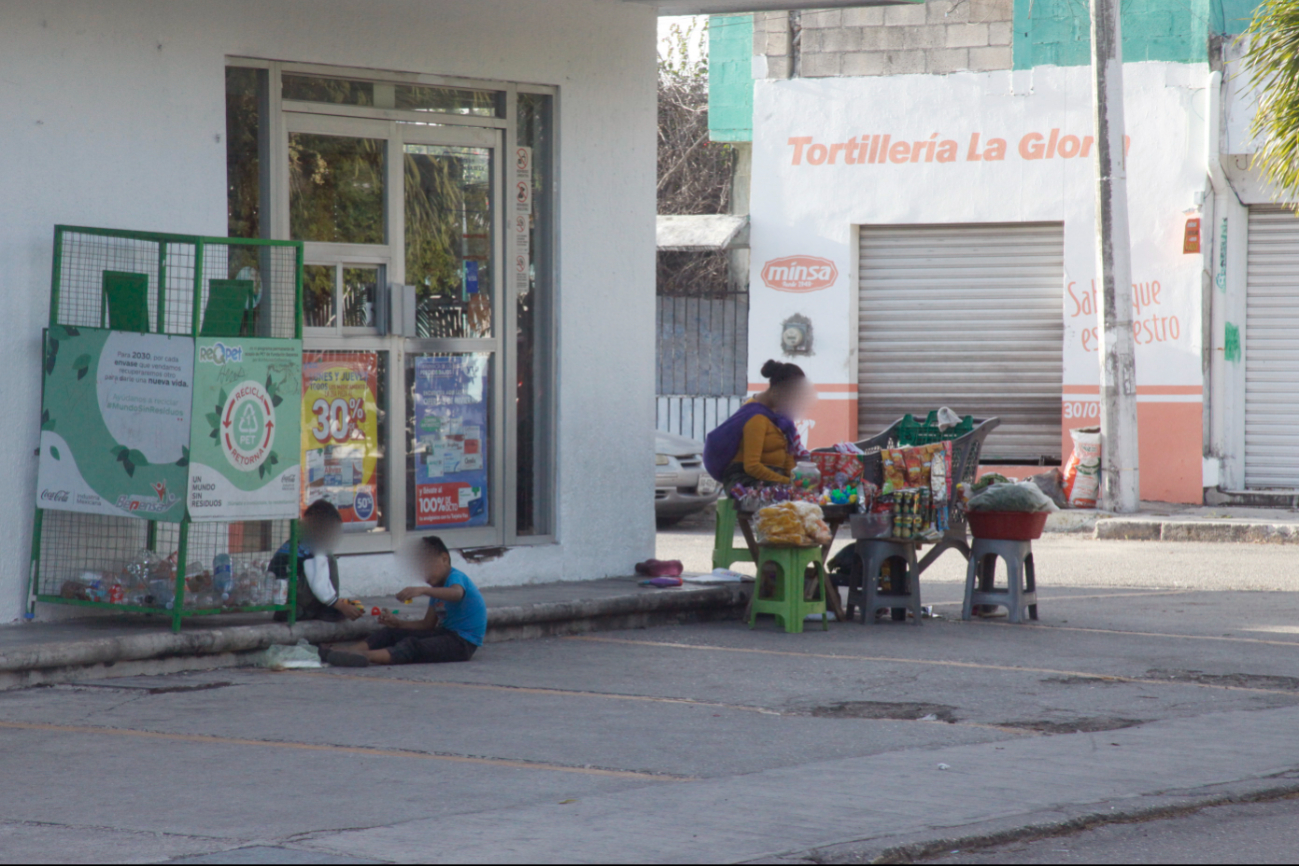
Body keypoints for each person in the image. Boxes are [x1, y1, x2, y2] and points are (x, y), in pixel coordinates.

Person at [323, 536, 486, 667]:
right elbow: (427, 625)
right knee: (391, 633)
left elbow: (456, 594)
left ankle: (364, 656)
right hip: (446, 633)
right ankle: (349, 651)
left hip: (463, 643)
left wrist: (423, 590)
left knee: (413, 645)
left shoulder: (455, 577)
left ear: (444, 559)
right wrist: (398, 623)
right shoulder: (437, 590)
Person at [703, 359, 815, 489]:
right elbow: (752, 466)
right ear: (777, 392)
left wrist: (795, 480)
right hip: (749, 480)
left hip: (774, 476)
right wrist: (787, 482)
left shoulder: (781, 419)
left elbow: (787, 456)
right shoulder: (756, 418)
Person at [270, 499, 364, 623]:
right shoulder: (316, 548)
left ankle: (298, 610)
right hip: (298, 599)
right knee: (328, 559)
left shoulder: (294, 541)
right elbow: (318, 585)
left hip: (282, 599)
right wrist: (341, 606)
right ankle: (325, 608)